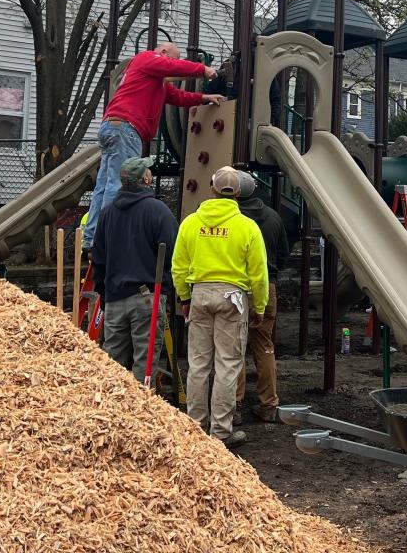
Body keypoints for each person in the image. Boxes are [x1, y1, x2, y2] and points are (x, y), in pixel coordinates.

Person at [82, 43, 224, 250]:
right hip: (126, 128)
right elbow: (174, 68)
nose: (172, 64)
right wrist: (203, 70)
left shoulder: (154, 82)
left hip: (113, 127)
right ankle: (107, 239)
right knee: (120, 185)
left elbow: (177, 96)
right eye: (173, 59)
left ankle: (92, 237)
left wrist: (203, 98)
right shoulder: (146, 58)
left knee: (104, 186)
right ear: (163, 54)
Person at [172, 166, 268, 449]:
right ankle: (221, 431)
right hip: (233, 298)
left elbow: (178, 266)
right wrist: (259, 306)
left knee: (198, 364)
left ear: (212, 188)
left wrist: (185, 299)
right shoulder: (247, 227)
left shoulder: (190, 223)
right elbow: (259, 274)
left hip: (199, 294)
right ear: (237, 193)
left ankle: (195, 426)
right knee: (227, 365)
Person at [91, 157, 178, 383]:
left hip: (114, 298)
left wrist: (105, 291)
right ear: (146, 179)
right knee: (145, 364)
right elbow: (172, 254)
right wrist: (167, 289)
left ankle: (111, 409)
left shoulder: (108, 213)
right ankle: (142, 411)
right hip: (146, 296)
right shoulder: (158, 211)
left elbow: (98, 257)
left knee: (112, 363)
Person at [234, 171, 290, 424]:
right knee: (265, 346)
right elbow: (283, 253)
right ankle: (269, 404)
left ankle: (234, 403)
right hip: (267, 286)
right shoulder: (272, 216)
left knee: (233, 348)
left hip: (235, 287)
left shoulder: (232, 219)